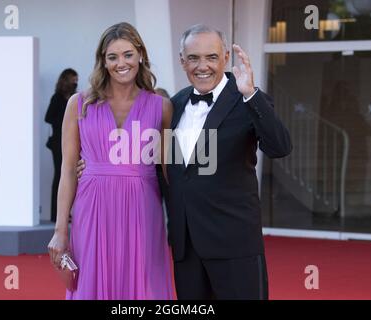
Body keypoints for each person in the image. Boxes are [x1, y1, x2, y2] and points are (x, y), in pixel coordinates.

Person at [77, 24, 292, 300]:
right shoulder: (172, 105)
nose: (202, 66)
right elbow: (151, 163)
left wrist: (251, 94)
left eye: (211, 57)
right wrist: (88, 166)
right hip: (186, 249)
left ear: (225, 57)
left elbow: (280, 147)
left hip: (233, 246)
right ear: (182, 62)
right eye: (193, 58)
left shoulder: (246, 99)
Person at [47, 22, 175, 300]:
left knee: (143, 284)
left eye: (128, 54)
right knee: (91, 283)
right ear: (102, 61)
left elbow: (170, 173)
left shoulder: (161, 106)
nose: (121, 63)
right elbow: (68, 170)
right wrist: (60, 230)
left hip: (143, 208)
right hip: (92, 207)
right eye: (112, 57)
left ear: (140, 55)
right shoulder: (79, 105)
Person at [45, 68, 79, 222]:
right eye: (73, 78)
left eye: (76, 79)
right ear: (65, 79)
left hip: (71, 141)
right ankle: (56, 215)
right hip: (58, 142)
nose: (75, 81)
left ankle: (68, 213)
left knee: (73, 175)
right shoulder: (57, 98)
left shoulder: (74, 98)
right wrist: (66, 123)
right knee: (61, 175)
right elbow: (48, 117)